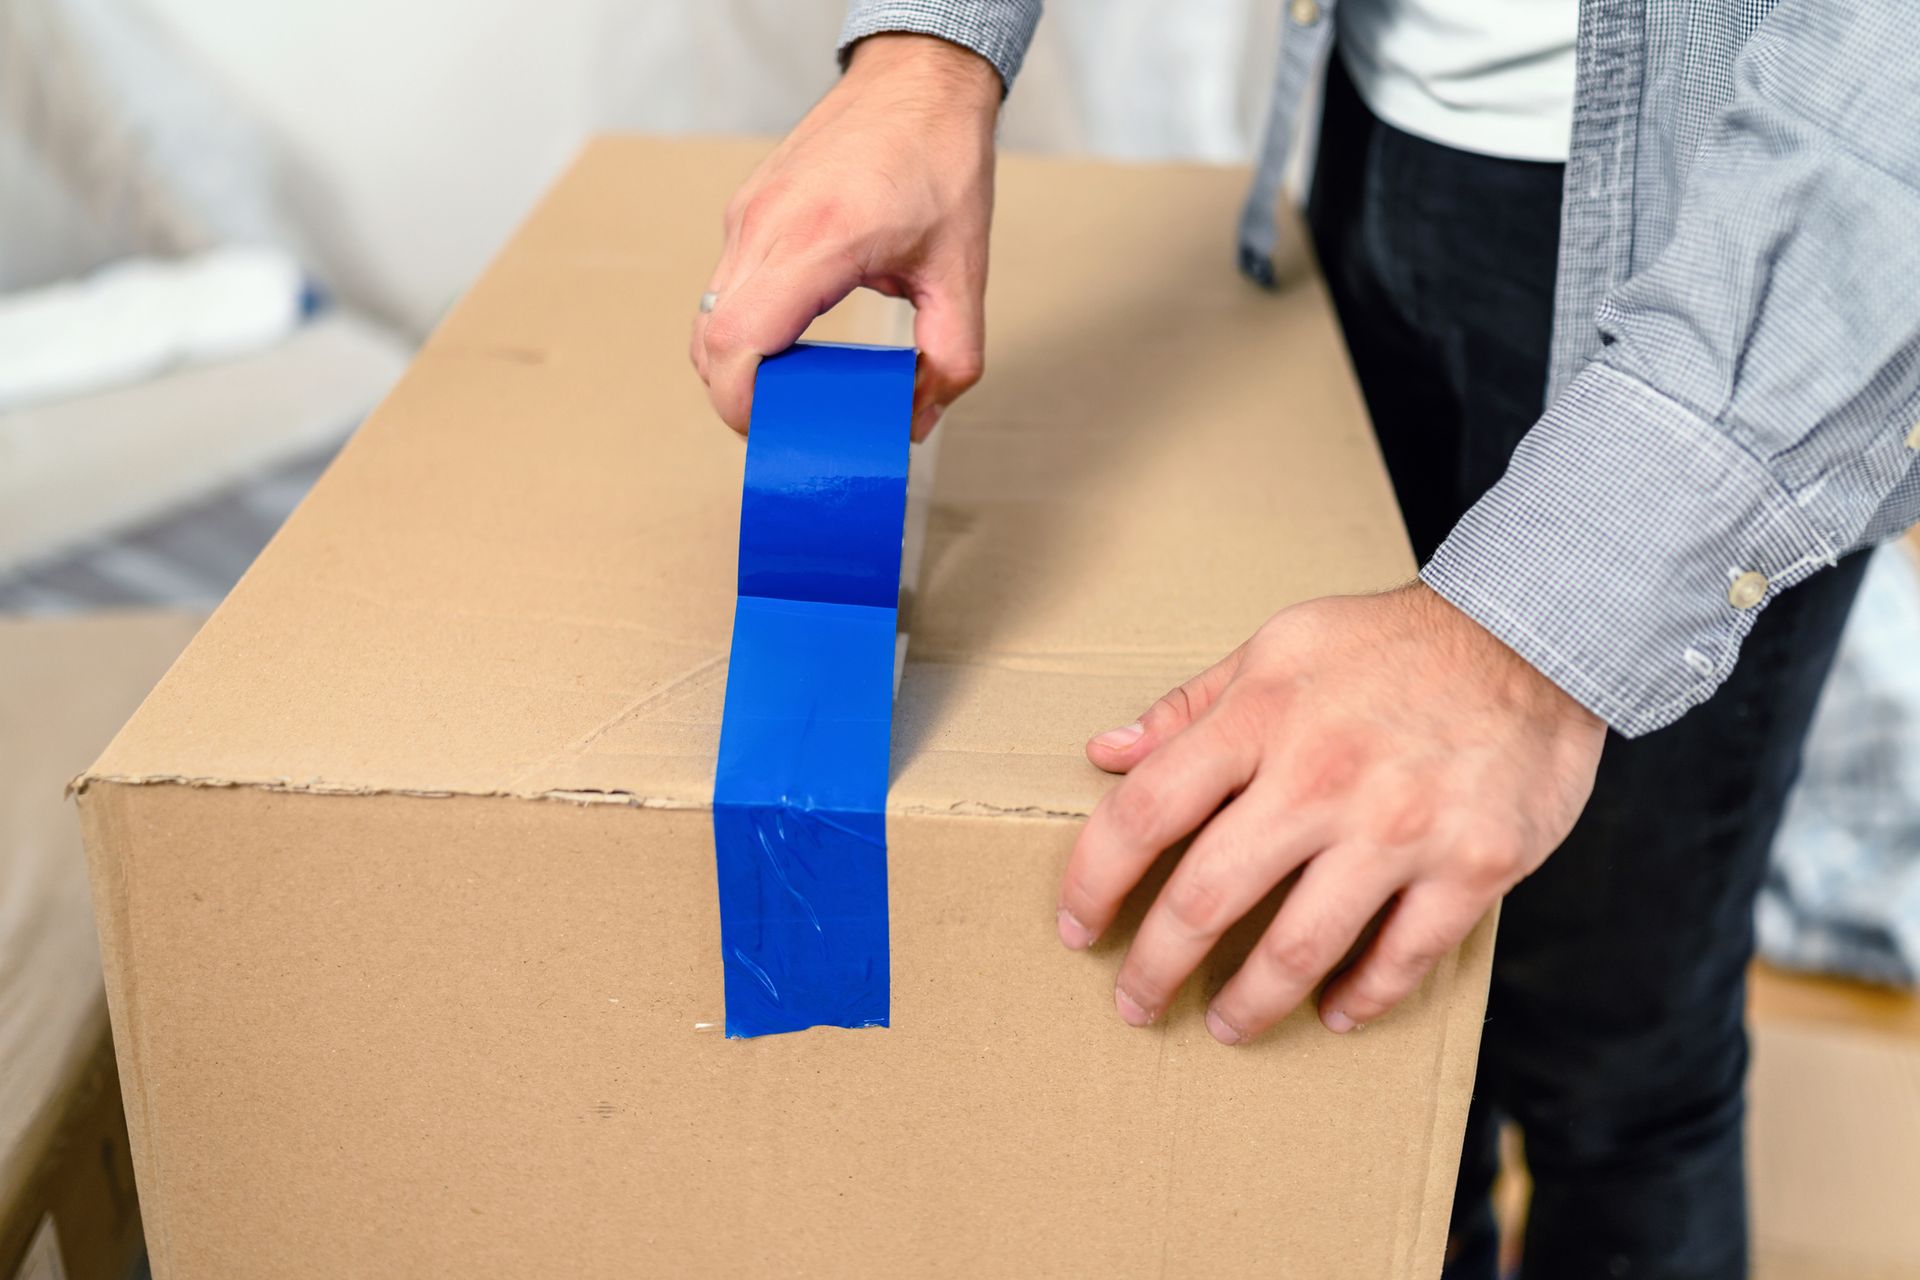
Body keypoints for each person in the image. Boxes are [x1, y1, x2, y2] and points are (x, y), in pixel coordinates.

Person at [689, 4, 1920, 1276]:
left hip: (1738, 228)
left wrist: (1522, 645)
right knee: (1382, 1025)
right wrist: (929, 55)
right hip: (1375, 126)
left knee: (1619, 1063)